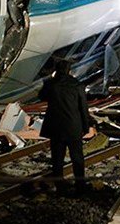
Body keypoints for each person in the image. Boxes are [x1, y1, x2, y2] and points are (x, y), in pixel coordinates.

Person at [39, 60, 97, 194]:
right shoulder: (77, 85)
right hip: (73, 126)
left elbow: (41, 96)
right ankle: (80, 186)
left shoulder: (51, 84)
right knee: (77, 158)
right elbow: (83, 108)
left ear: (56, 70)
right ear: (69, 70)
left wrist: (48, 80)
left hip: (56, 127)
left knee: (57, 159)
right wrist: (85, 126)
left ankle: (60, 186)